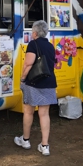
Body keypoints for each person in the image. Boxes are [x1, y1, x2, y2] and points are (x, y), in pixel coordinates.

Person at [14, 20, 57, 156]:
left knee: (28, 112)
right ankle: (45, 146)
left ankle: (25, 140)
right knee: (44, 114)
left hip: (33, 82)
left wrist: (22, 79)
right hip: (49, 83)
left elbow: (28, 64)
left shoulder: (33, 44)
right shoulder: (50, 46)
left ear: (35, 32)